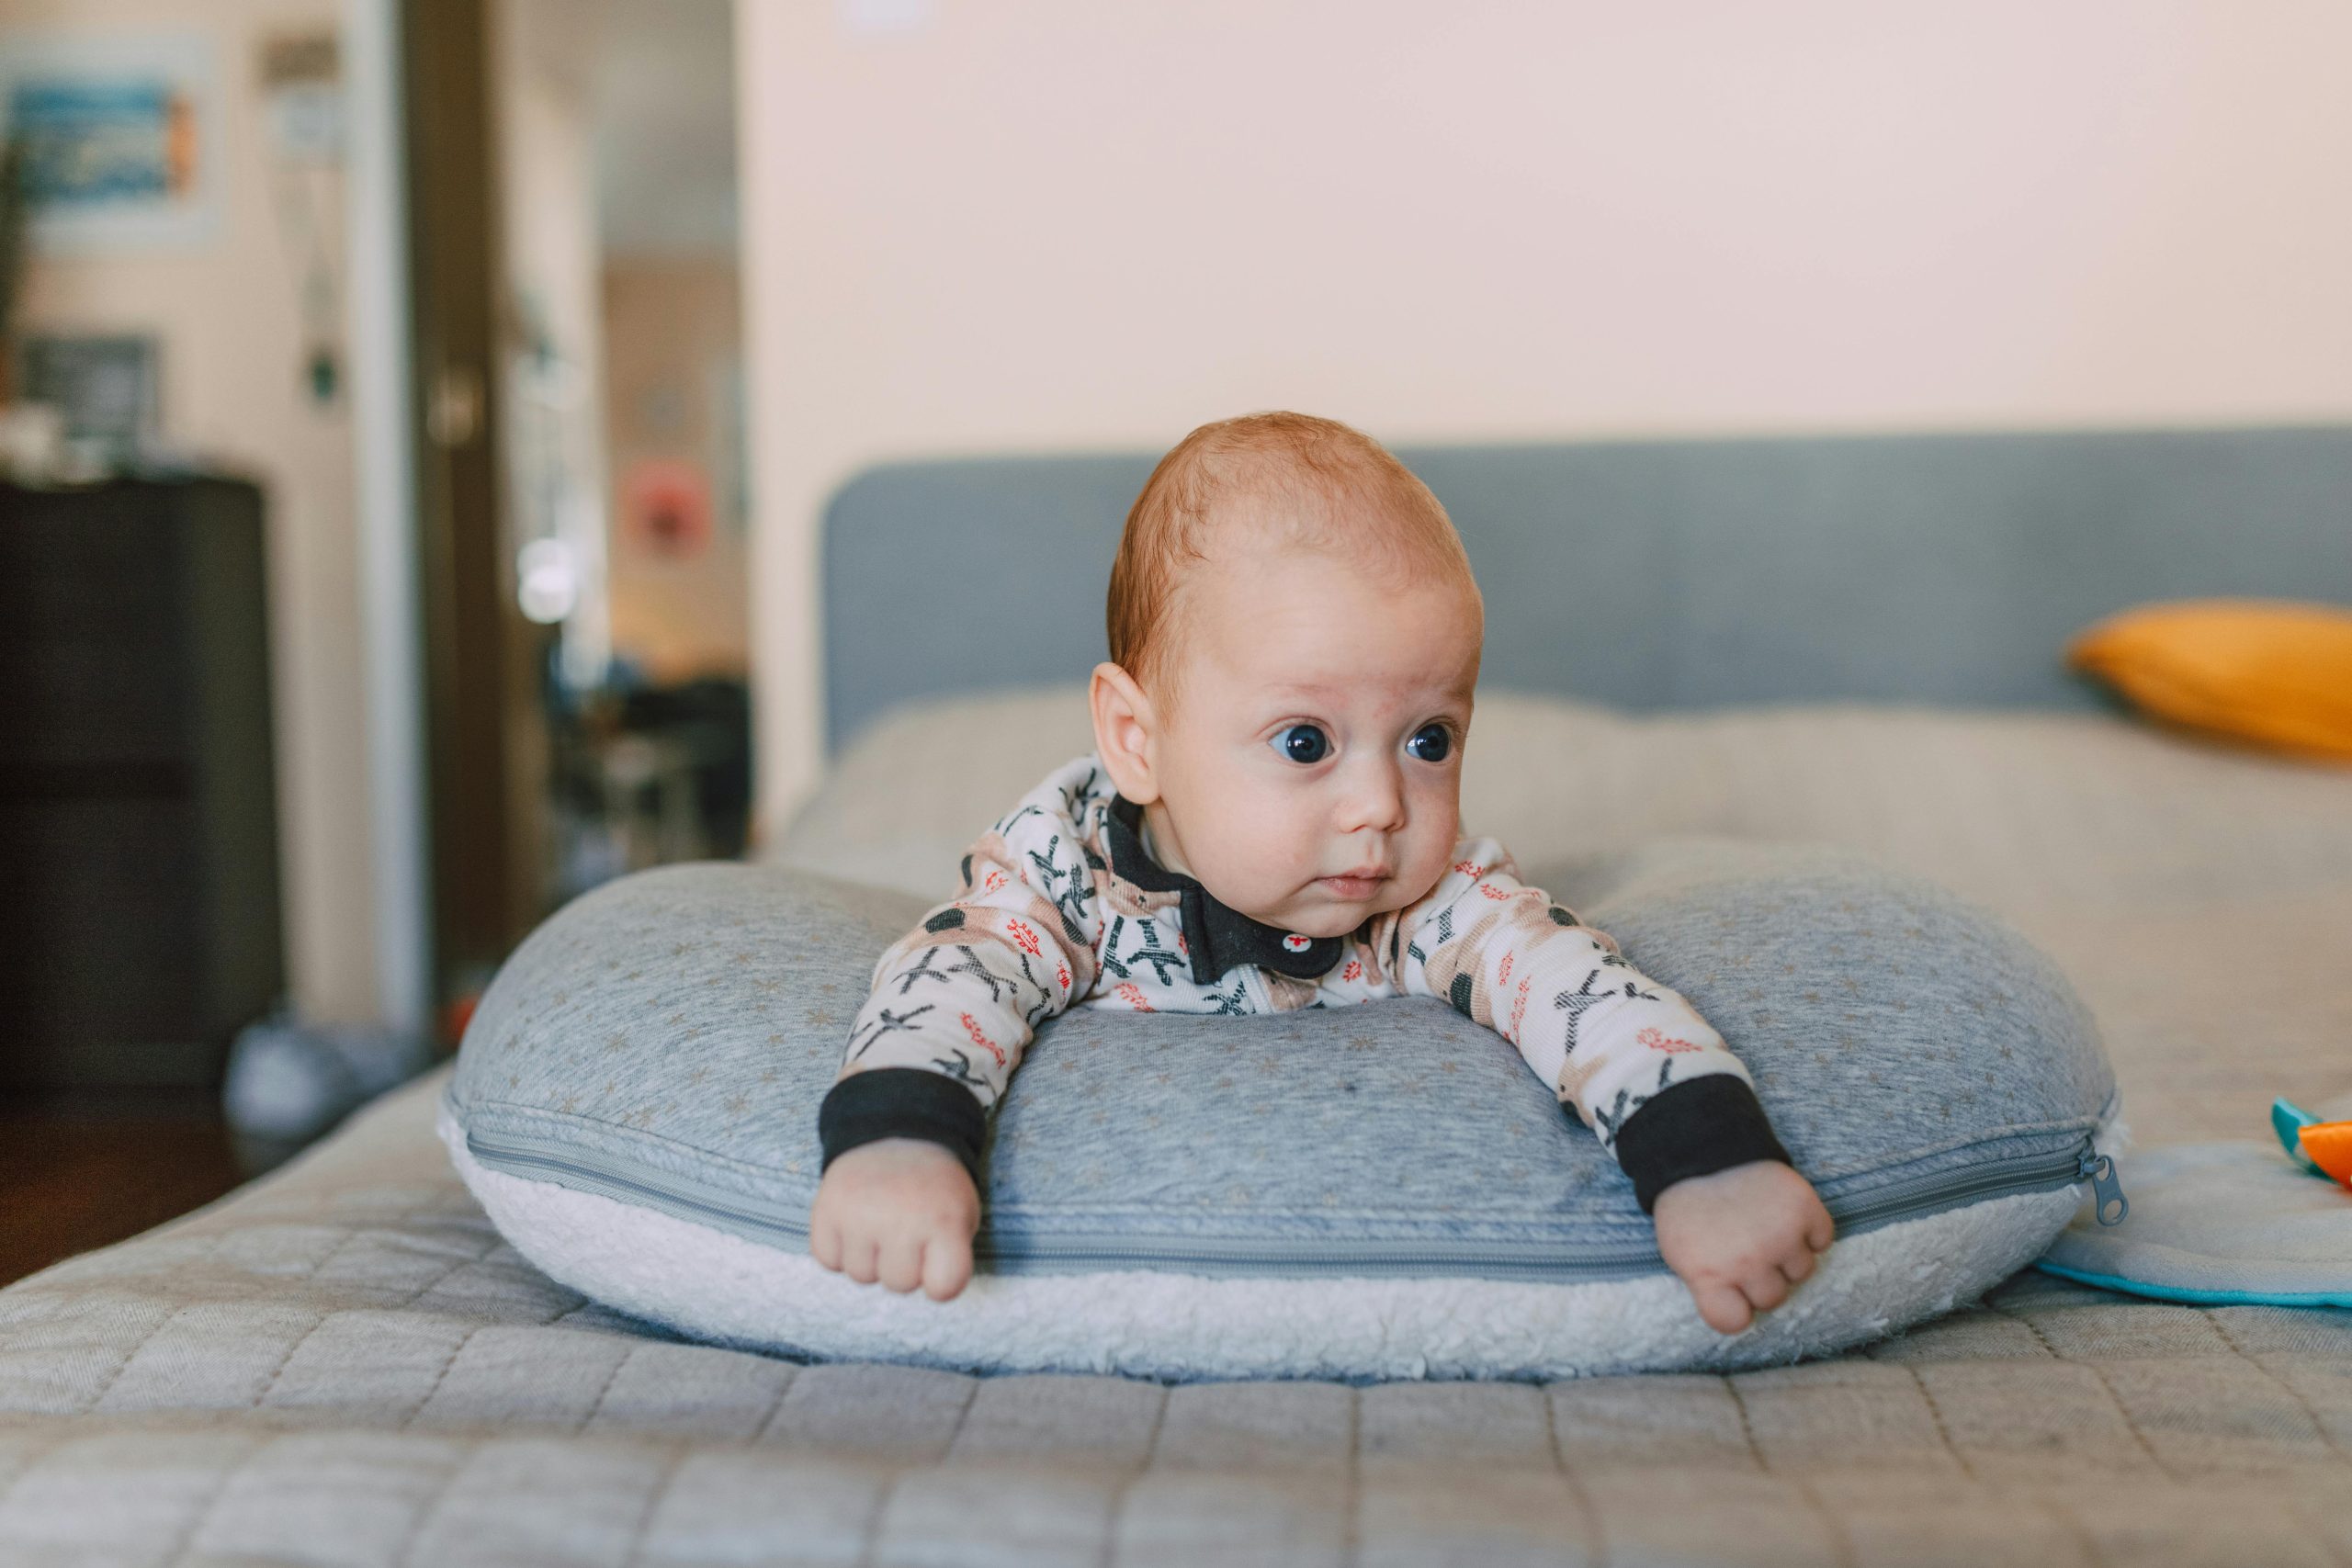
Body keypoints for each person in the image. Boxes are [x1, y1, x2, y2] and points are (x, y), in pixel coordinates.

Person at [810, 412, 1834, 1329]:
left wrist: (1706, 1158)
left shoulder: (1432, 900)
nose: (1382, 806)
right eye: (1305, 742)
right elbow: (952, 982)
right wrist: (901, 1138)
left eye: (1429, 739)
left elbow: (1577, 989)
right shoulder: (1060, 875)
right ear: (1137, 739)